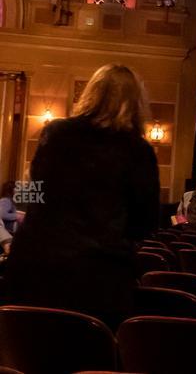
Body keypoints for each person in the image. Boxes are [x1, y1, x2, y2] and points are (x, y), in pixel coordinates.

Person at [5, 64, 161, 328]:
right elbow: (144, 223)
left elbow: (33, 193)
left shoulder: (55, 132)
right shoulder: (138, 149)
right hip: (98, 278)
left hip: (33, 267)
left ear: (91, 93)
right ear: (136, 102)